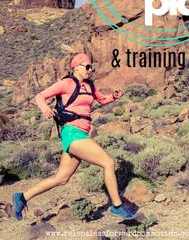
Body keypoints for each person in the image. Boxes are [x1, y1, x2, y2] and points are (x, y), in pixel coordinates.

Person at [12, 52, 137, 221]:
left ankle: (22, 197)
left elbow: (101, 99)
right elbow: (40, 96)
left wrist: (113, 97)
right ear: (76, 67)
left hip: (81, 133)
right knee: (108, 163)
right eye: (87, 66)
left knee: (61, 178)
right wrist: (45, 109)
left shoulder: (89, 86)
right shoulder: (66, 83)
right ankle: (117, 206)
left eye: (91, 67)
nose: (90, 70)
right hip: (72, 133)